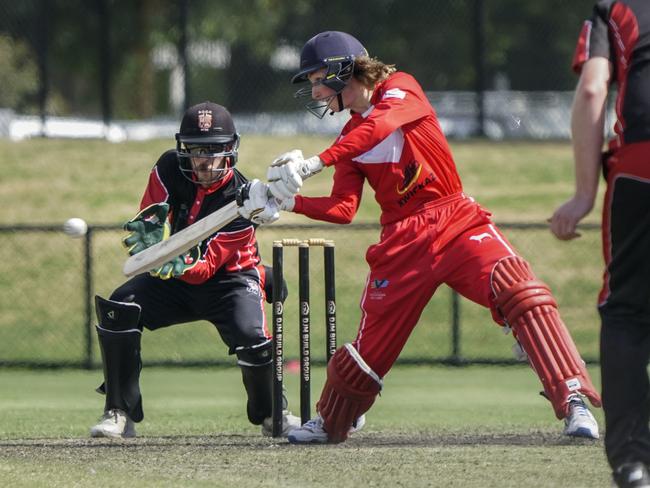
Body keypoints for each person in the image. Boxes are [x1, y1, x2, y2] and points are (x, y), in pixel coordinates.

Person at [247, 30, 602, 444]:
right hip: (401, 243)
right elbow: (343, 209)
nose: (315, 90)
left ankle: (574, 400)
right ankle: (331, 421)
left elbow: (382, 125)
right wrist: (288, 204)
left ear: (345, 70)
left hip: (455, 220)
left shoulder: (401, 88)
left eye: (318, 78)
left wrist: (314, 162)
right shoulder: (348, 140)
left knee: (519, 289)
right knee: (370, 350)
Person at [89, 101, 300, 439]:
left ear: (230, 150)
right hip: (172, 280)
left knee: (253, 336)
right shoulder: (167, 168)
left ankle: (273, 413)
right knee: (119, 309)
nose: (203, 160)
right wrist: (152, 237)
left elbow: (206, 269)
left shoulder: (243, 199)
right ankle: (119, 412)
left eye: (213, 150)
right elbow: (151, 215)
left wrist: (173, 260)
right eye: (195, 149)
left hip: (229, 281)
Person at [550, 2, 650, 486]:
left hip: (640, 167)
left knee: (627, 312)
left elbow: (593, 90)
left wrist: (584, 194)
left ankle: (633, 462)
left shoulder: (615, 8)